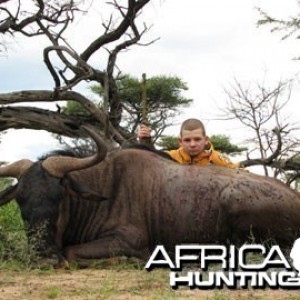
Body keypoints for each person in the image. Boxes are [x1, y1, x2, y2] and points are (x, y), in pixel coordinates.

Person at [138, 118, 239, 169]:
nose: (192, 144)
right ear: (180, 142)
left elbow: (241, 173)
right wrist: (145, 141)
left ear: (206, 139)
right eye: (187, 140)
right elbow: (149, 164)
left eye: (197, 139)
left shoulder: (217, 159)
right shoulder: (170, 157)